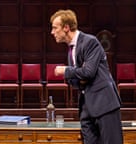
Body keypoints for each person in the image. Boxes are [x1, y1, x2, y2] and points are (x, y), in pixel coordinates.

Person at [51, 9, 123, 144]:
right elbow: (76, 80)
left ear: (66, 27)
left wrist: (66, 70)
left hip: (104, 104)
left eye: (55, 28)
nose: (52, 32)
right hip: (86, 107)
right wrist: (78, 72)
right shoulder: (71, 50)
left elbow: (88, 72)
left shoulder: (90, 42)